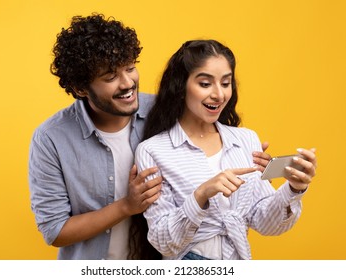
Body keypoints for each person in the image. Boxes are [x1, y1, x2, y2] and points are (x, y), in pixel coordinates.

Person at [28, 13, 271, 260]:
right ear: (81, 88)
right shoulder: (51, 138)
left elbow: (210, 143)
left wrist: (250, 159)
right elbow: (55, 230)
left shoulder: (164, 109)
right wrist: (127, 206)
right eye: (110, 77)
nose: (127, 83)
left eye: (130, 68)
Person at [134, 39, 317, 260]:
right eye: (205, 84)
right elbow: (163, 240)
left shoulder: (246, 140)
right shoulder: (153, 150)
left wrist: (294, 189)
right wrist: (201, 195)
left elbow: (266, 223)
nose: (219, 95)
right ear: (181, 86)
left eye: (225, 83)